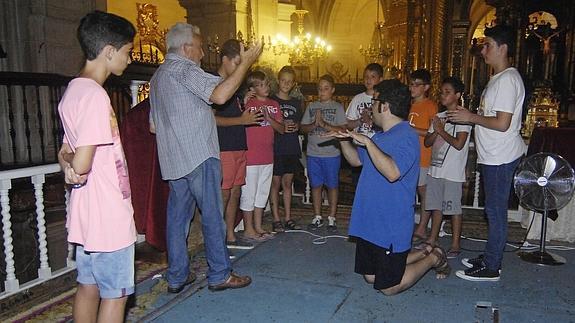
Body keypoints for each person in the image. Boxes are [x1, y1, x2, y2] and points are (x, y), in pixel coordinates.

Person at [149, 22, 261, 293]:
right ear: (186, 48)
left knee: (177, 220)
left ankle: (177, 276)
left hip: (174, 159)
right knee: (212, 215)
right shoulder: (185, 68)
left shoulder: (158, 77)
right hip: (199, 155)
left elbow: (153, 126)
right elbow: (221, 94)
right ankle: (220, 273)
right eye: (199, 48)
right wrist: (246, 63)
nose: (201, 55)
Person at [328, 79, 450, 296]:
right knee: (370, 277)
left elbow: (393, 172)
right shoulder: (381, 136)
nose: (370, 107)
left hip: (390, 224)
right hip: (370, 221)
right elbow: (357, 160)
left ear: (384, 106)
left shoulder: (407, 135)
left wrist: (367, 141)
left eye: (373, 102)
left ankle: (433, 258)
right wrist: (343, 139)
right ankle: (425, 251)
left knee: (387, 287)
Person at [57, 11, 136, 322]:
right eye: (128, 52)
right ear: (109, 51)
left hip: (87, 210)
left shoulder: (73, 91)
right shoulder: (94, 95)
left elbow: (65, 151)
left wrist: (68, 162)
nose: (129, 60)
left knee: (88, 285)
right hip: (108, 213)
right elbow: (82, 161)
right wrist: (72, 163)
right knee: (116, 294)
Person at [448, 24, 526, 282]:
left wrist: (470, 117)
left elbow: (502, 123)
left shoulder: (507, 80)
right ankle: (491, 256)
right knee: (492, 210)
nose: (483, 50)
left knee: (495, 211)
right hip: (494, 154)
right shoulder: (500, 79)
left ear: (503, 48)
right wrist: (470, 118)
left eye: (488, 45)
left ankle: (492, 266)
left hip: (501, 156)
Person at [213, 39, 264, 250]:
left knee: (236, 191)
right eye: (236, 63)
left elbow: (233, 111)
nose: (239, 69)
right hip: (224, 146)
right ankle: (216, 237)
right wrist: (241, 121)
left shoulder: (235, 85)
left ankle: (230, 232)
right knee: (224, 193)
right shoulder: (214, 83)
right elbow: (211, 118)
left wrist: (243, 102)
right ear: (225, 59)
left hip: (238, 143)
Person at [422, 77, 471, 258]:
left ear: (457, 95)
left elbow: (459, 144)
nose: (443, 95)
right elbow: (427, 142)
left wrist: (442, 131)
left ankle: (456, 243)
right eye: (442, 92)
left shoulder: (462, 117)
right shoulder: (439, 117)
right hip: (435, 169)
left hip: (452, 172)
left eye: (447, 92)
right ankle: (432, 238)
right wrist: (436, 130)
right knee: (435, 207)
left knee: (453, 209)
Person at [240, 70, 284, 240]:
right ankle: (248, 228)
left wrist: (269, 118)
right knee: (249, 192)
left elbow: (281, 129)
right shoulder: (248, 103)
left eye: (266, 83)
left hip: (267, 155)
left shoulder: (274, 104)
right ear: (252, 88)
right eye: (260, 85)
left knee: (262, 193)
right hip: (251, 156)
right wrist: (245, 101)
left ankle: (258, 226)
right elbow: (239, 120)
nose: (266, 87)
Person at [300, 74, 347, 232]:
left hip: (331, 154)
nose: (322, 91)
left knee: (332, 185)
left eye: (326, 88)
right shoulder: (311, 106)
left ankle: (332, 217)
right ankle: (317, 216)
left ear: (332, 90)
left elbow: (343, 129)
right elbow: (303, 128)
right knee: (316, 185)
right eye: (320, 88)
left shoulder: (338, 107)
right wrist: (314, 124)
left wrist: (325, 124)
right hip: (313, 153)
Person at [269, 66, 303, 232]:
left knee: (288, 183)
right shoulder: (271, 100)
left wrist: (296, 125)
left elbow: (299, 123)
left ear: (293, 84)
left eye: (289, 82)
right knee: (275, 183)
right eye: (283, 80)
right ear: (278, 80)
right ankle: (276, 218)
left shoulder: (296, 103)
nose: (286, 84)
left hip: (290, 146)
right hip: (275, 147)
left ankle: (288, 217)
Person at [408, 69, 439, 244]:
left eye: (416, 85)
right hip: (410, 155)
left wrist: (412, 130)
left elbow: (433, 131)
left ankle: (422, 226)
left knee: (423, 192)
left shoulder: (430, 106)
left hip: (423, 156)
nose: (412, 88)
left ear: (426, 87)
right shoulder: (409, 105)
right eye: (411, 84)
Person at [346, 63, 384, 185]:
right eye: (366, 76)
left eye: (373, 76)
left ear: (380, 79)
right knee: (359, 182)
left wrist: (371, 120)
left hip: (378, 147)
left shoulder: (383, 99)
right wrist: (361, 120)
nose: (368, 79)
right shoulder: (357, 99)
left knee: (375, 183)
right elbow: (347, 124)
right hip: (359, 147)